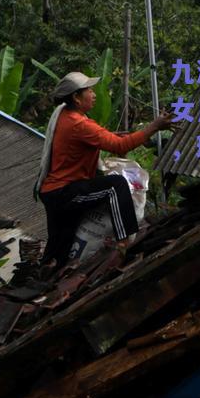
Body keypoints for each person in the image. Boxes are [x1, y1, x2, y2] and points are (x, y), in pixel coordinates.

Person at [35, 71, 176, 268]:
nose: (94, 94)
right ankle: (124, 242)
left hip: (53, 191)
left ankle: (44, 277)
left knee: (60, 245)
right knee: (115, 186)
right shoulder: (79, 124)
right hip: (63, 192)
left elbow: (93, 139)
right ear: (76, 97)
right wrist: (154, 126)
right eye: (89, 91)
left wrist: (111, 136)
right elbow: (121, 146)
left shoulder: (65, 115)